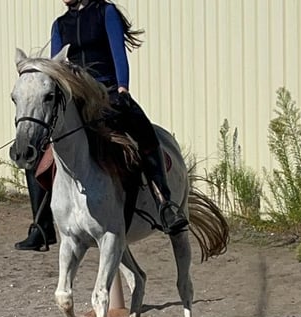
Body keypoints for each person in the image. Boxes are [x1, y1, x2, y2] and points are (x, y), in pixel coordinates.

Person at [14, 0, 188, 251]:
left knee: (145, 134)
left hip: (108, 93)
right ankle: (41, 227)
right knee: (36, 149)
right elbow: (56, 69)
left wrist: (122, 87)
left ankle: (165, 203)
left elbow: (118, 52)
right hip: (77, 100)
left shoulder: (106, 12)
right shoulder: (60, 25)